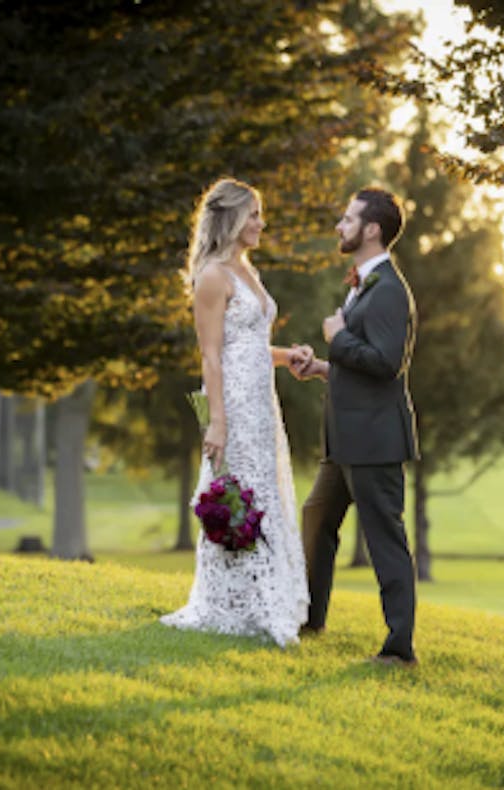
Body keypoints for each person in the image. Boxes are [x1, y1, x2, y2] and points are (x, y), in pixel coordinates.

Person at [160, 177, 310, 647]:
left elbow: (251, 346)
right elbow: (211, 355)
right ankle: (231, 603)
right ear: (231, 218)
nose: (261, 223)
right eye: (254, 215)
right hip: (232, 406)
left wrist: (289, 357)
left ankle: (266, 600)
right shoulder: (212, 277)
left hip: (263, 407)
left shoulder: (248, 271)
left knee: (263, 493)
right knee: (236, 494)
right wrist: (218, 422)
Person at [291, 187, 420, 666]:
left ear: (372, 229)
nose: (339, 227)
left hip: (373, 439)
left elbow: (386, 364)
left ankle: (399, 648)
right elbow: (361, 362)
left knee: (385, 540)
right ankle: (309, 619)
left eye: (347, 219)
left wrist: (338, 337)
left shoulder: (388, 289)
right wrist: (324, 366)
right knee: (317, 516)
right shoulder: (364, 284)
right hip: (344, 439)